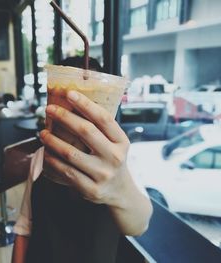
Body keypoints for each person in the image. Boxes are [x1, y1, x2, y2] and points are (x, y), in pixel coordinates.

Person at [11, 56, 153, 263]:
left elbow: (140, 224)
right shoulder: (42, 156)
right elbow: (25, 225)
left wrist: (120, 190)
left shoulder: (118, 161)